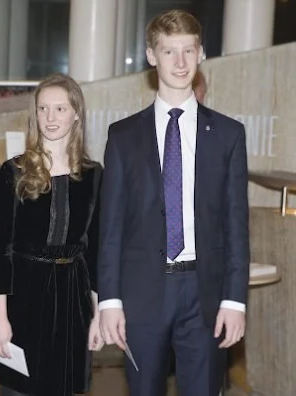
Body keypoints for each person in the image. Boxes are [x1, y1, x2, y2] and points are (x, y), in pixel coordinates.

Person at [98, 9, 249, 396]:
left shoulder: (229, 135)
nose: (180, 62)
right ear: (152, 56)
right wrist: (109, 300)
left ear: (200, 54)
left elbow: (236, 225)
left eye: (188, 50)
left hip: (206, 295)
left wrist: (235, 300)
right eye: (169, 52)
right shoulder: (123, 136)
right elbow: (110, 226)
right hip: (142, 293)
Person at [0, 73, 104, 396]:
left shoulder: (93, 175)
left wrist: (98, 316)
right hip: (23, 296)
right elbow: (0, 250)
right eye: (43, 109)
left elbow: (94, 251)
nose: (50, 118)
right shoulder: (14, 171)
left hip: (72, 300)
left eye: (60, 109)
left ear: (76, 113)